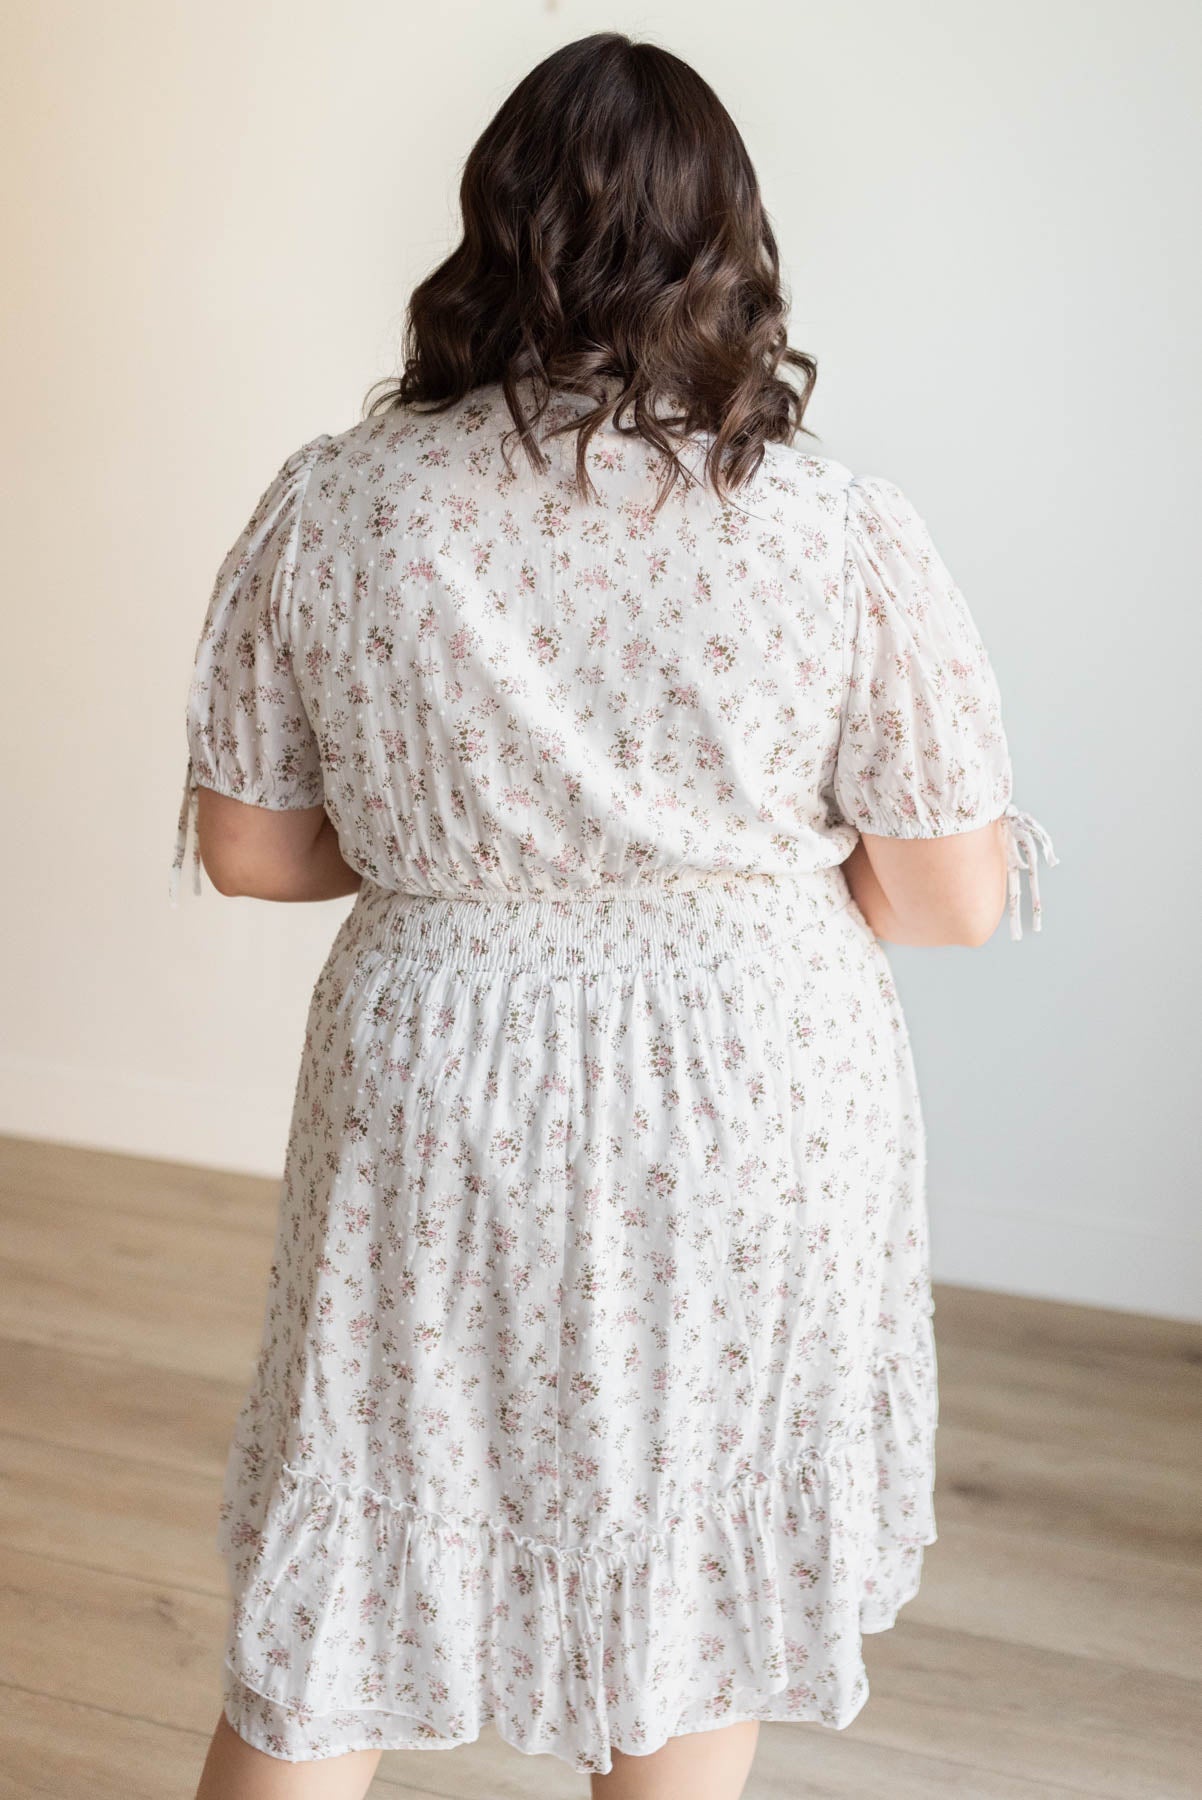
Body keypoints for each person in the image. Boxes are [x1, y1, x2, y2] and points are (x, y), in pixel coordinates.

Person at [171, 30, 1057, 1800]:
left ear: (486, 230)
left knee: (349, 1547)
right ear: (727, 244)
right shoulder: (831, 526)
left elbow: (254, 849)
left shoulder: (341, 501)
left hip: (437, 1066)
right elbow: (949, 899)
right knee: (687, 1558)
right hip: (745, 1080)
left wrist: (463, 846)